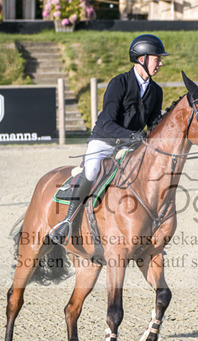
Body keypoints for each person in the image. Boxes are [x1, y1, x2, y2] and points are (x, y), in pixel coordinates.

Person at [49, 34, 170, 245]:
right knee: (92, 170)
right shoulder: (119, 83)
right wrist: (130, 135)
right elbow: (106, 121)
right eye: (156, 59)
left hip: (131, 146)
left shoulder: (156, 91)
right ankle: (67, 221)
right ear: (142, 59)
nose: (160, 63)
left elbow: (153, 125)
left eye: (160, 59)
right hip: (105, 140)